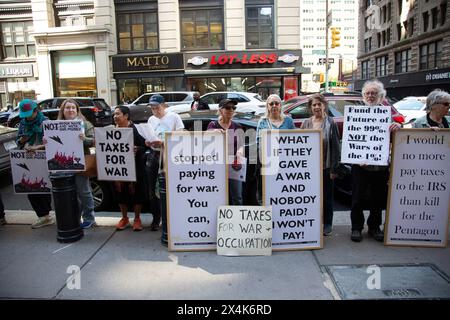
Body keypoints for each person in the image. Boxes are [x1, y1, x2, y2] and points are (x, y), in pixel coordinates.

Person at [350, 80, 400, 242]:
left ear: (381, 96)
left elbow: (395, 139)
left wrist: (397, 127)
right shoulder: (355, 114)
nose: (370, 96)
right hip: (360, 166)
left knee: (377, 199)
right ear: (363, 96)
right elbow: (350, 141)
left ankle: (374, 227)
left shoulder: (387, 115)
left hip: (380, 166)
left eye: (374, 93)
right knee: (357, 198)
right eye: (367, 93)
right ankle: (356, 228)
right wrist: (356, 157)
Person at [145, 94, 184, 243]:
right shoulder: (151, 119)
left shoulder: (174, 117)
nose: (155, 111)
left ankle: (171, 218)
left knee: (169, 189)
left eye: (157, 107)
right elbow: (148, 135)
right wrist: (148, 142)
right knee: (152, 189)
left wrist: (164, 140)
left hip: (169, 155)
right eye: (153, 108)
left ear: (164, 105)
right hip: (154, 155)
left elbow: (182, 133)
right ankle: (157, 218)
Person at [301, 93, 341, 236]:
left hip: (326, 166)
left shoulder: (331, 122)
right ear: (310, 108)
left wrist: (334, 168)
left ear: (324, 105)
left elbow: (336, 147)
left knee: (327, 197)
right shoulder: (306, 123)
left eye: (319, 104)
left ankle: (327, 223)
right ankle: (313, 221)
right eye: (314, 105)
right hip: (309, 168)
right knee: (310, 196)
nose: (317, 107)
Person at [56, 99, 96, 229]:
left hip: (80, 163)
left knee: (84, 192)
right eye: (67, 108)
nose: (71, 110)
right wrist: (46, 142)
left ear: (77, 110)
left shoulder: (85, 124)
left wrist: (85, 139)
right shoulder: (56, 125)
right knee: (67, 194)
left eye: (73, 108)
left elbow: (95, 141)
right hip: (62, 165)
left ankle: (89, 218)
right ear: (63, 111)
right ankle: (73, 217)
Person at [16, 99, 54, 229]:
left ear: (36, 110)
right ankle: (42, 215)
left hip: (42, 158)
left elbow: (53, 143)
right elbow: (18, 141)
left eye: (29, 114)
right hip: (27, 158)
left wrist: (37, 147)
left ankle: (45, 215)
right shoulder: (23, 123)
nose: (27, 118)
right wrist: (22, 140)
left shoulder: (46, 122)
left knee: (42, 186)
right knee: (28, 187)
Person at [256, 94, 295, 203]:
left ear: (280, 106)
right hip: (269, 164)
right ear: (267, 106)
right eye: (271, 103)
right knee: (269, 193)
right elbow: (258, 143)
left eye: (276, 103)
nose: (274, 106)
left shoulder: (288, 121)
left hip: (287, 165)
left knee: (284, 193)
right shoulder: (262, 121)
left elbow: (295, 141)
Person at [113, 105, 147, 231]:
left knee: (136, 193)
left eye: (118, 114)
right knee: (120, 193)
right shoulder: (111, 131)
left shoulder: (135, 129)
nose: (115, 117)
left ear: (126, 116)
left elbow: (146, 145)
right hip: (118, 167)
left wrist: (137, 149)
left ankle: (137, 219)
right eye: (114, 114)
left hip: (135, 166)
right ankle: (124, 218)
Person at [207, 99, 244, 205]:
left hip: (234, 164)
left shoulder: (237, 126)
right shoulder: (213, 125)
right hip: (217, 165)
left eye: (233, 108)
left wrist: (240, 152)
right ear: (220, 110)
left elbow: (241, 145)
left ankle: (237, 220)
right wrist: (211, 132)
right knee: (219, 195)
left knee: (237, 195)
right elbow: (205, 140)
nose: (231, 110)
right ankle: (220, 220)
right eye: (227, 108)